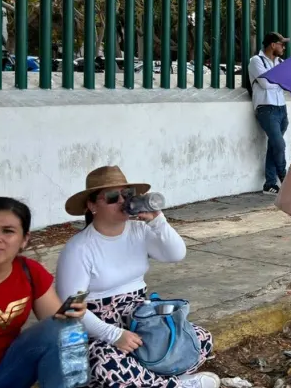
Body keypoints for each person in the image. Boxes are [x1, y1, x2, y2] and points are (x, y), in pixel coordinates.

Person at [55, 166, 218, 388]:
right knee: (106, 364)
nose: (123, 201)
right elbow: (72, 307)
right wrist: (114, 335)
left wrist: (157, 220)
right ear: (92, 205)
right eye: (113, 197)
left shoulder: (138, 231)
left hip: (141, 316)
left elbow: (176, 254)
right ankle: (176, 383)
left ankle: (158, 381)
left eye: (128, 194)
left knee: (200, 338)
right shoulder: (80, 248)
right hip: (101, 326)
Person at [0, 198, 88, 388]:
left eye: (8, 231)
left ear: (24, 240)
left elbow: (56, 329)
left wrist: (71, 315)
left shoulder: (29, 271)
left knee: (66, 330)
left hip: (11, 371)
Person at [248, 32, 290, 196]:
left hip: (281, 108)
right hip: (266, 108)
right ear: (273, 45)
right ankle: (285, 177)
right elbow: (265, 84)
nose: (283, 48)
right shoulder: (256, 61)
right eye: (281, 44)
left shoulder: (280, 62)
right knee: (279, 144)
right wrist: (280, 81)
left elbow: (287, 82)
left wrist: (277, 80)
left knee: (274, 145)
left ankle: (270, 184)